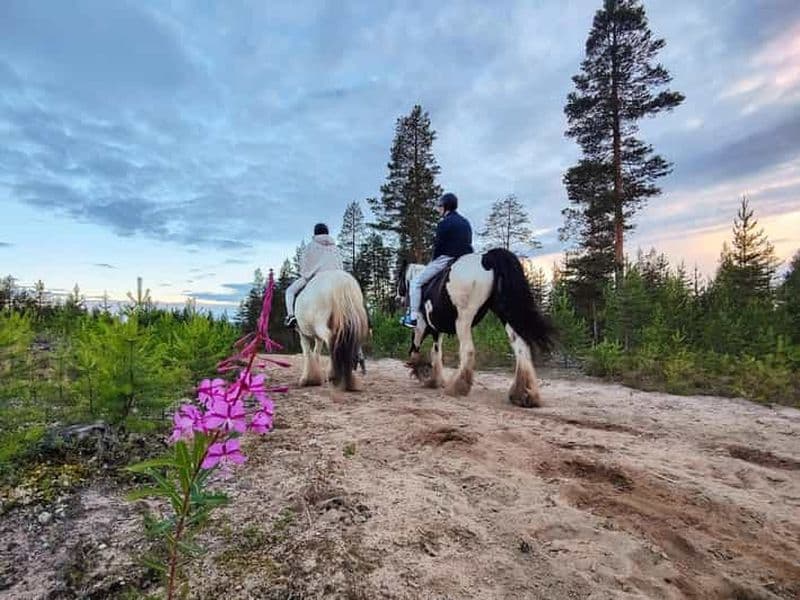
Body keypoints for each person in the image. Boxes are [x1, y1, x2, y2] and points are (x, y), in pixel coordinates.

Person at [401, 192, 473, 329]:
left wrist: (433, 261)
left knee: (415, 283)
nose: (438, 209)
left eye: (440, 206)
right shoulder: (465, 222)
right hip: (466, 259)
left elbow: (438, 246)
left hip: (447, 258)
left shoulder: (444, 223)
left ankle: (413, 317)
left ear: (445, 207)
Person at [284, 223, 344, 328]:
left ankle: (291, 316)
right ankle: (367, 319)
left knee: (290, 291)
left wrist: (307, 275)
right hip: (336, 279)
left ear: (315, 233)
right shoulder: (336, 248)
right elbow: (341, 267)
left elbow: (304, 267)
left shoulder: (310, 246)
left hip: (317, 276)